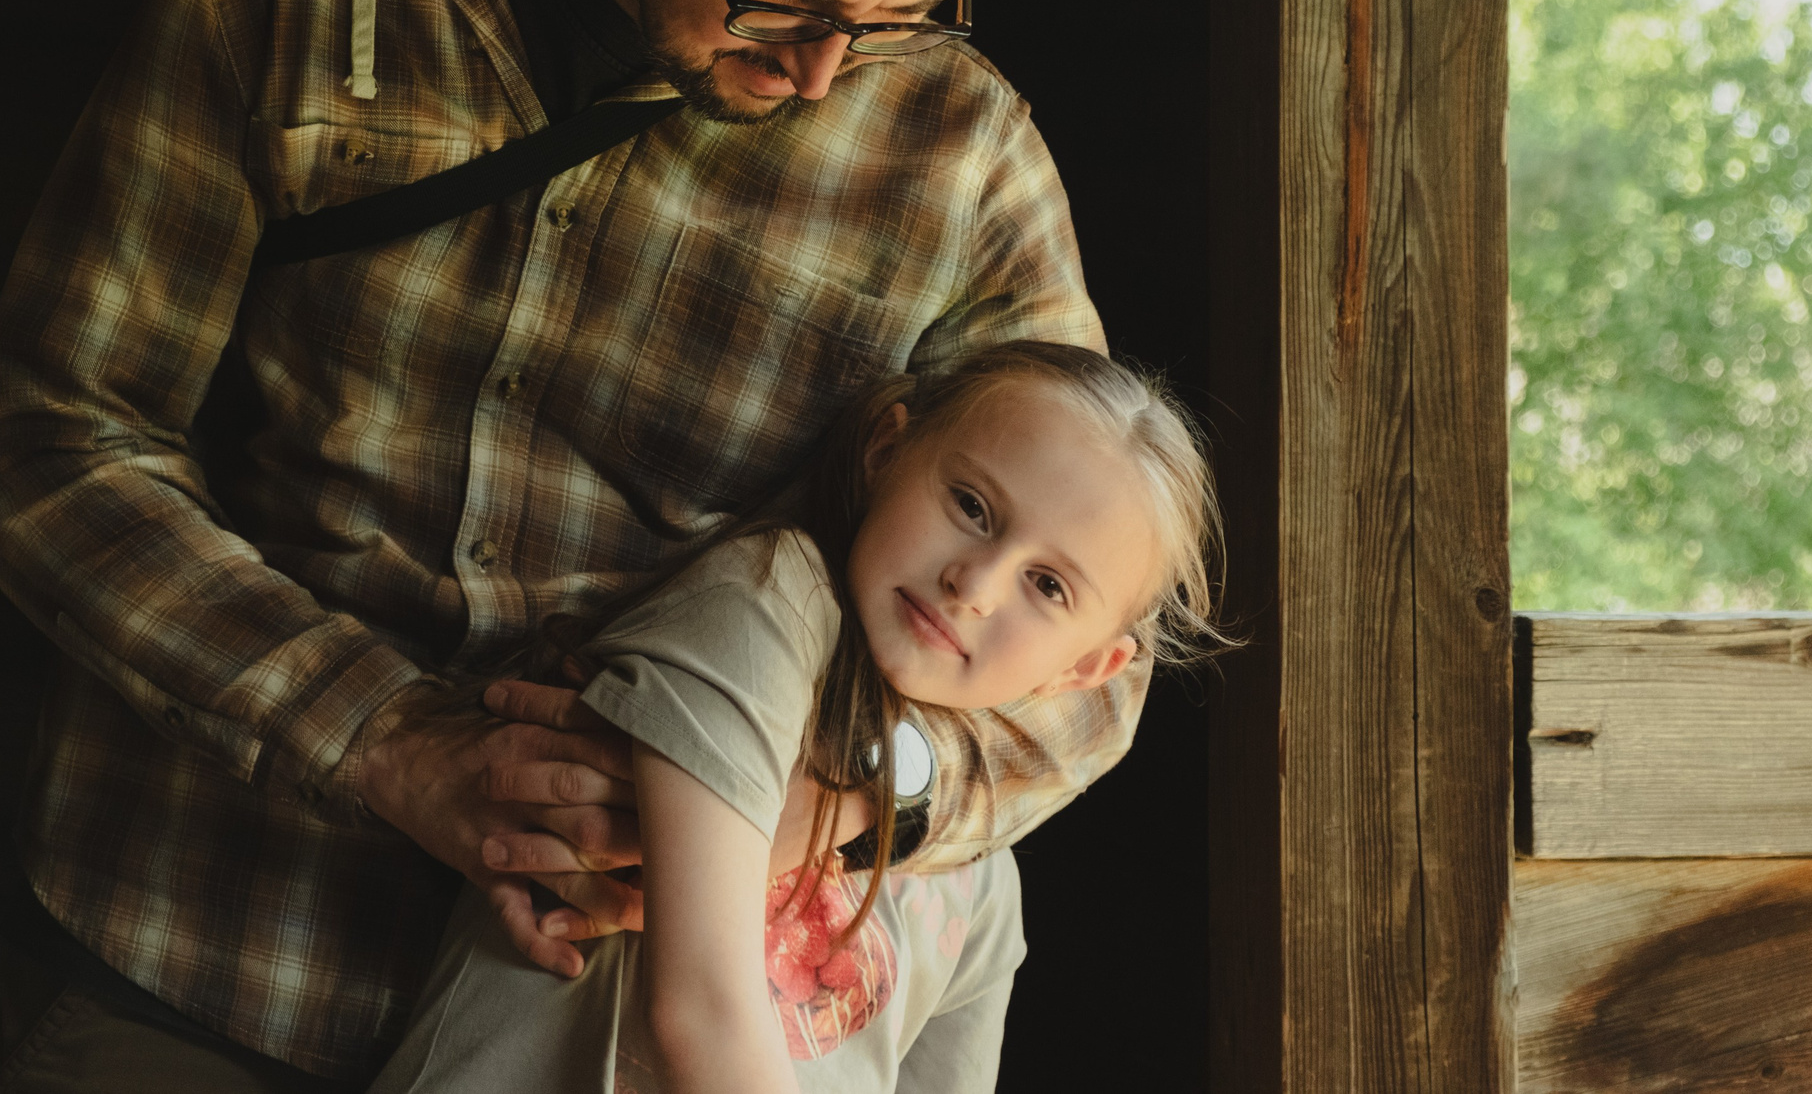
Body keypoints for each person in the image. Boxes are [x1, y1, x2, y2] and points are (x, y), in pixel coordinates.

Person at [0, 0, 1143, 1090]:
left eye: (899, 16)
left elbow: (1100, 650)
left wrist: (837, 796)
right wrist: (382, 736)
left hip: (594, 1038)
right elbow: (50, 440)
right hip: (206, 941)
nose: (828, 74)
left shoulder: (963, 155)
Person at [369, 343, 1225, 1094]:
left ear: (1088, 668)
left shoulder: (982, 878)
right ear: (888, 449)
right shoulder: (767, 607)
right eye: (972, 505)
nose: (977, 582)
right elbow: (700, 1009)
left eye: (1049, 585)